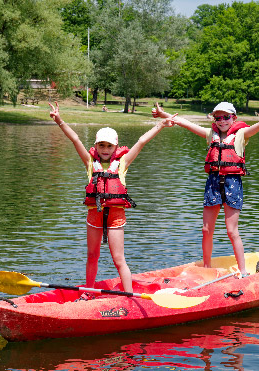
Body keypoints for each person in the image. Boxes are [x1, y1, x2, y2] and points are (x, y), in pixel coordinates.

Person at [49, 101, 177, 297]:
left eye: (109, 146)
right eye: (101, 145)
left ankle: (129, 295)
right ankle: (88, 292)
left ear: (115, 147)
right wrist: (59, 120)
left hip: (116, 216)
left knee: (118, 258)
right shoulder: (91, 163)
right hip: (95, 214)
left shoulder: (122, 163)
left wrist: (160, 125)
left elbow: (141, 141)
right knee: (92, 256)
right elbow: (75, 139)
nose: (105, 149)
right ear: (96, 146)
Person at [152, 100, 259, 276]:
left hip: (232, 183)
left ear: (234, 118)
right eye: (218, 117)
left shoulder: (242, 134)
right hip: (213, 182)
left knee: (231, 231)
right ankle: (206, 268)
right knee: (206, 230)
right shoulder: (211, 134)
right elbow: (185, 123)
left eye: (226, 117)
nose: (222, 120)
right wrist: (162, 114)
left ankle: (243, 271)